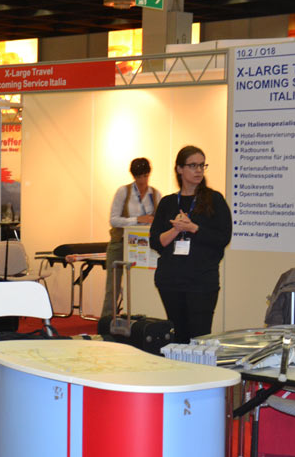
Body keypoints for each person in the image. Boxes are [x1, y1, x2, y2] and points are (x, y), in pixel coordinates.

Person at [149, 146, 232, 343]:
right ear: (179, 169)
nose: (199, 170)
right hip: (170, 280)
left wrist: (193, 228)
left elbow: (223, 238)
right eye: (193, 165)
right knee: (178, 338)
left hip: (201, 281)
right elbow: (156, 242)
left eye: (202, 165)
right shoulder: (168, 202)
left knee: (199, 338)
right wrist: (177, 229)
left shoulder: (214, 200)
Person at [95, 157, 159, 318]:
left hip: (144, 246)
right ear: (133, 176)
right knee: (113, 286)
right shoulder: (123, 192)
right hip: (120, 243)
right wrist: (137, 219)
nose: (142, 180)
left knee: (142, 283)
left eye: (145, 176)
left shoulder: (155, 194)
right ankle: (106, 321)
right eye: (139, 177)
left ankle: (141, 319)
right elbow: (113, 220)